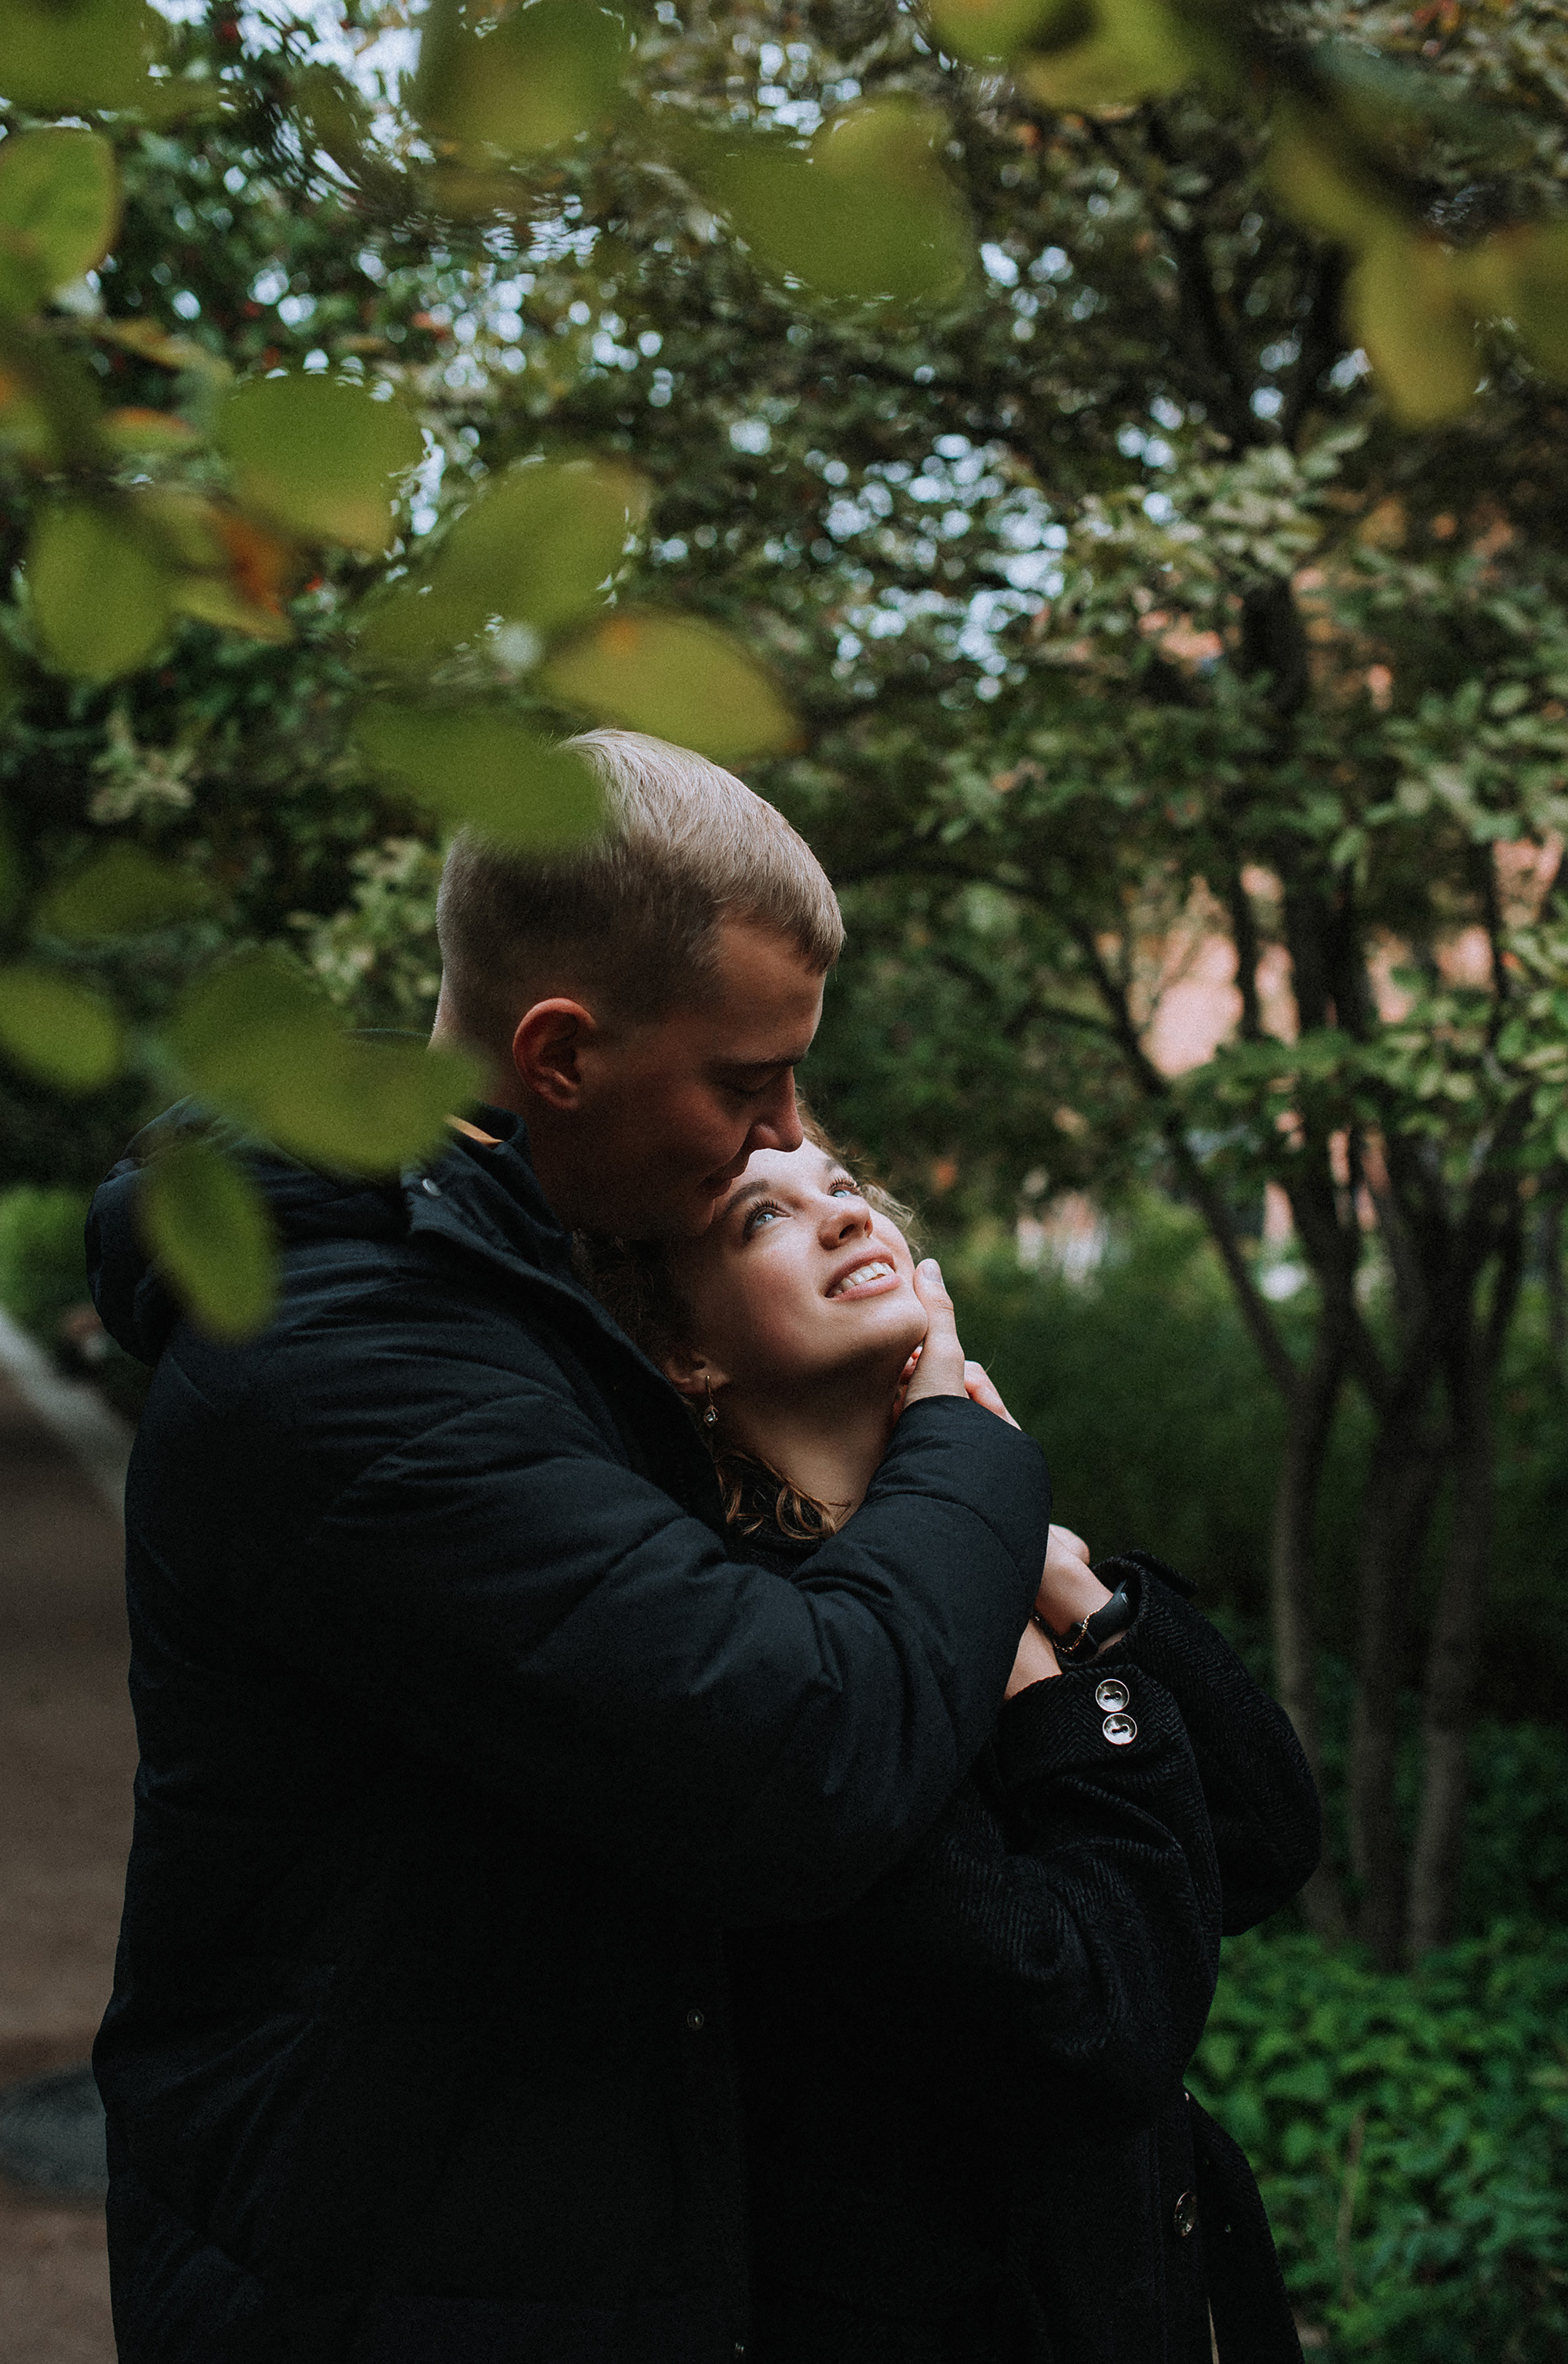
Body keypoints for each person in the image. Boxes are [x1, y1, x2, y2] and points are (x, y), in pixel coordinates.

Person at [84, 729, 1058, 2364]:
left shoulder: (537, 1279)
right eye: (745, 1084)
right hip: (382, 2288)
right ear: (558, 1054)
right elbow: (796, 1754)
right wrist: (964, 1437)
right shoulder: (344, 1356)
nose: (780, 1132)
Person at [582, 1122, 1321, 2364]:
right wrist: (1041, 1686)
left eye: (843, 1184)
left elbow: (1260, 1840)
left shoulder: (982, 1559)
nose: (840, 1212)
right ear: (684, 1352)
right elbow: (1097, 2015)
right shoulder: (767, 1642)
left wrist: (1072, 1589)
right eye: (761, 1217)